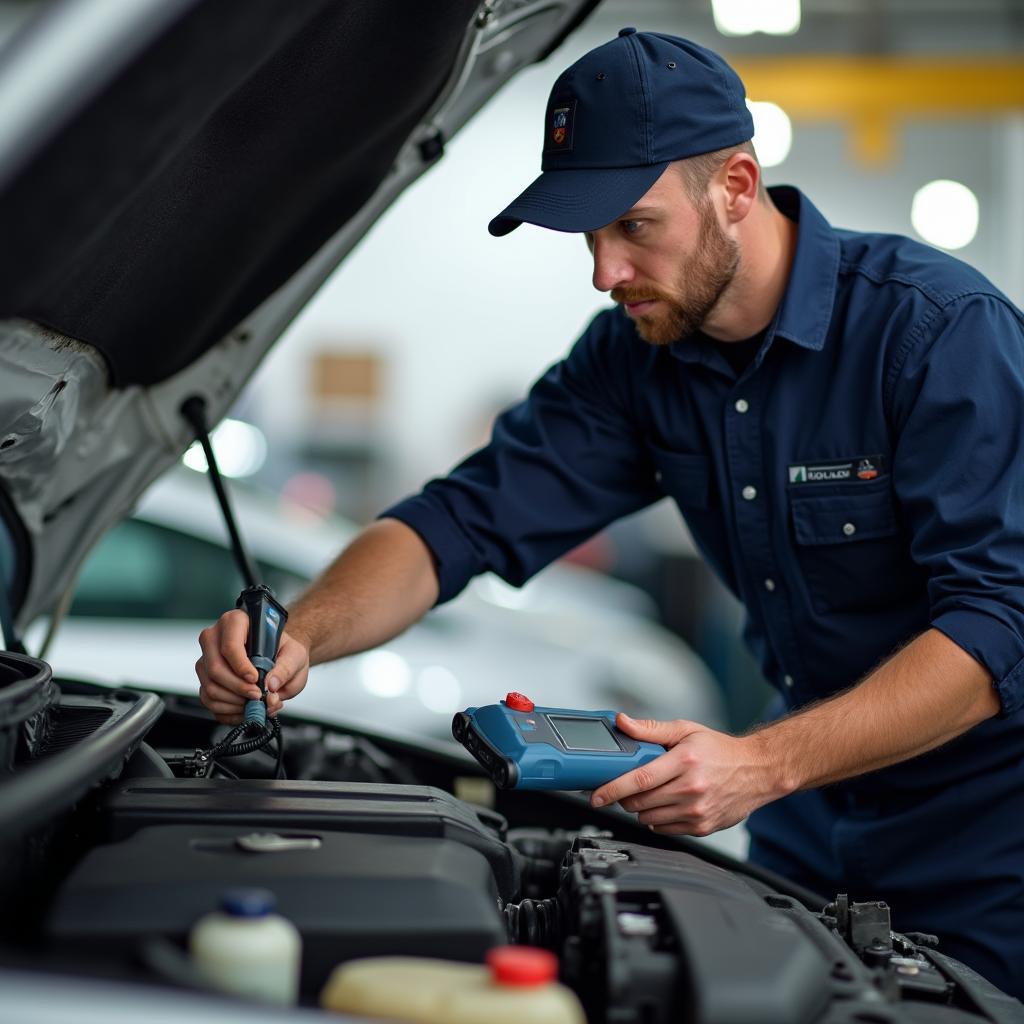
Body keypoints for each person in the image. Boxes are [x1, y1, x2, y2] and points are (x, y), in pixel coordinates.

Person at [196, 29, 1024, 996]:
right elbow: (455, 524)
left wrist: (762, 764)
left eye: (634, 226)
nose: (604, 272)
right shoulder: (633, 358)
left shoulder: (934, 333)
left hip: (988, 845)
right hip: (816, 826)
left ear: (737, 187)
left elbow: (998, 621)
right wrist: (300, 634)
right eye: (587, 236)